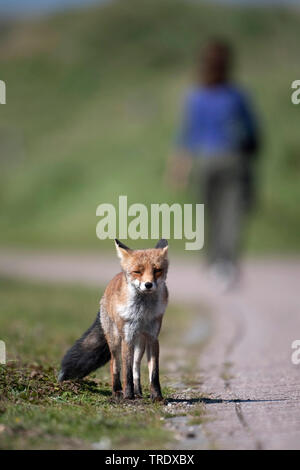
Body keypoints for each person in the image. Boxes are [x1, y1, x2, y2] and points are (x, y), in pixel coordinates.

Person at [168, 39, 260, 288]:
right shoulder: (237, 95)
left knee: (210, 215)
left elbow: (186, 135)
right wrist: (252, 154)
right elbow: (252, 131)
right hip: (234, 158)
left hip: (206, 162)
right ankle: (226, 264)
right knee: (232, 214)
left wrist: (178, 169)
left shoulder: (195, 97)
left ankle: (213, 262)